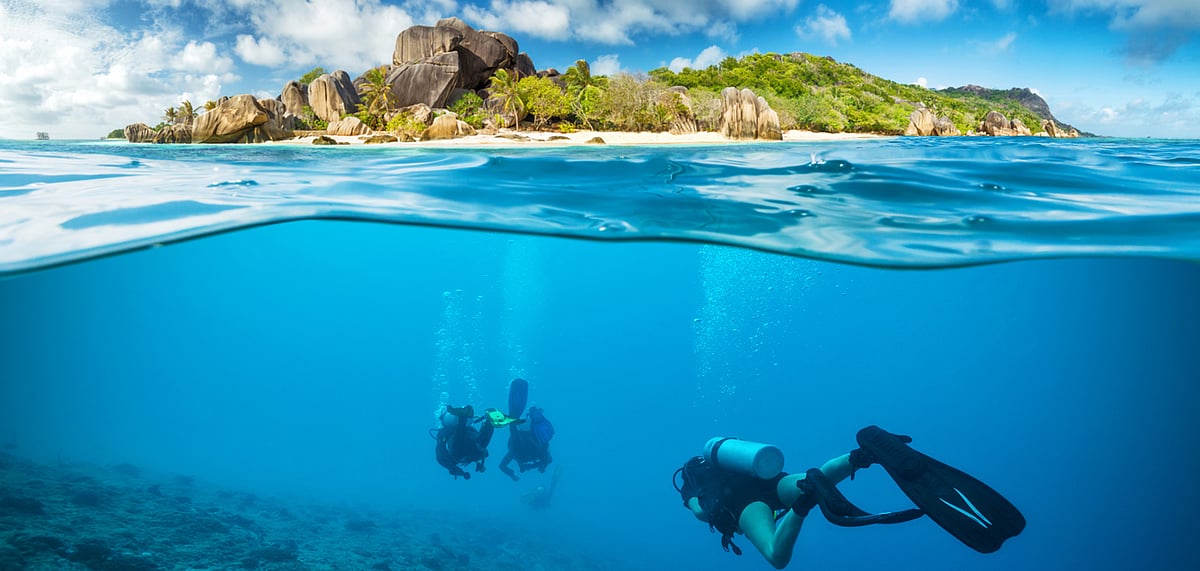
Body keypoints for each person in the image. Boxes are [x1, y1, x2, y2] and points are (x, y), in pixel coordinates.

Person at [674, 426, 1025, 569]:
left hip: (744, 503)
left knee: (777, 555)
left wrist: (705, 508)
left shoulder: (692, 483)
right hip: (770, 478)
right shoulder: (731, 459)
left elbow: (701, 514)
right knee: (814, 478)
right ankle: (860, 457)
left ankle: (804, 502)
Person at [431, 405, 494, 479]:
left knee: (461, 450)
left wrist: (463, 473)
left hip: (462, 449)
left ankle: (488, 423)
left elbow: (444, 461)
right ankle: (488, 422)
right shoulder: (444, 435)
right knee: (479, 443)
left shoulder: (442, 436)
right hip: (470, 436)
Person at [499, 406, 554, 481]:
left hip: (525, 454)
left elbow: (547, 459)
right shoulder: (517, 445)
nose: (526, 438)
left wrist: (513, 475)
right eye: (524, 435)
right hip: (525, 454)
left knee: (513, 432)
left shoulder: (517, 445)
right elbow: (547, 459)